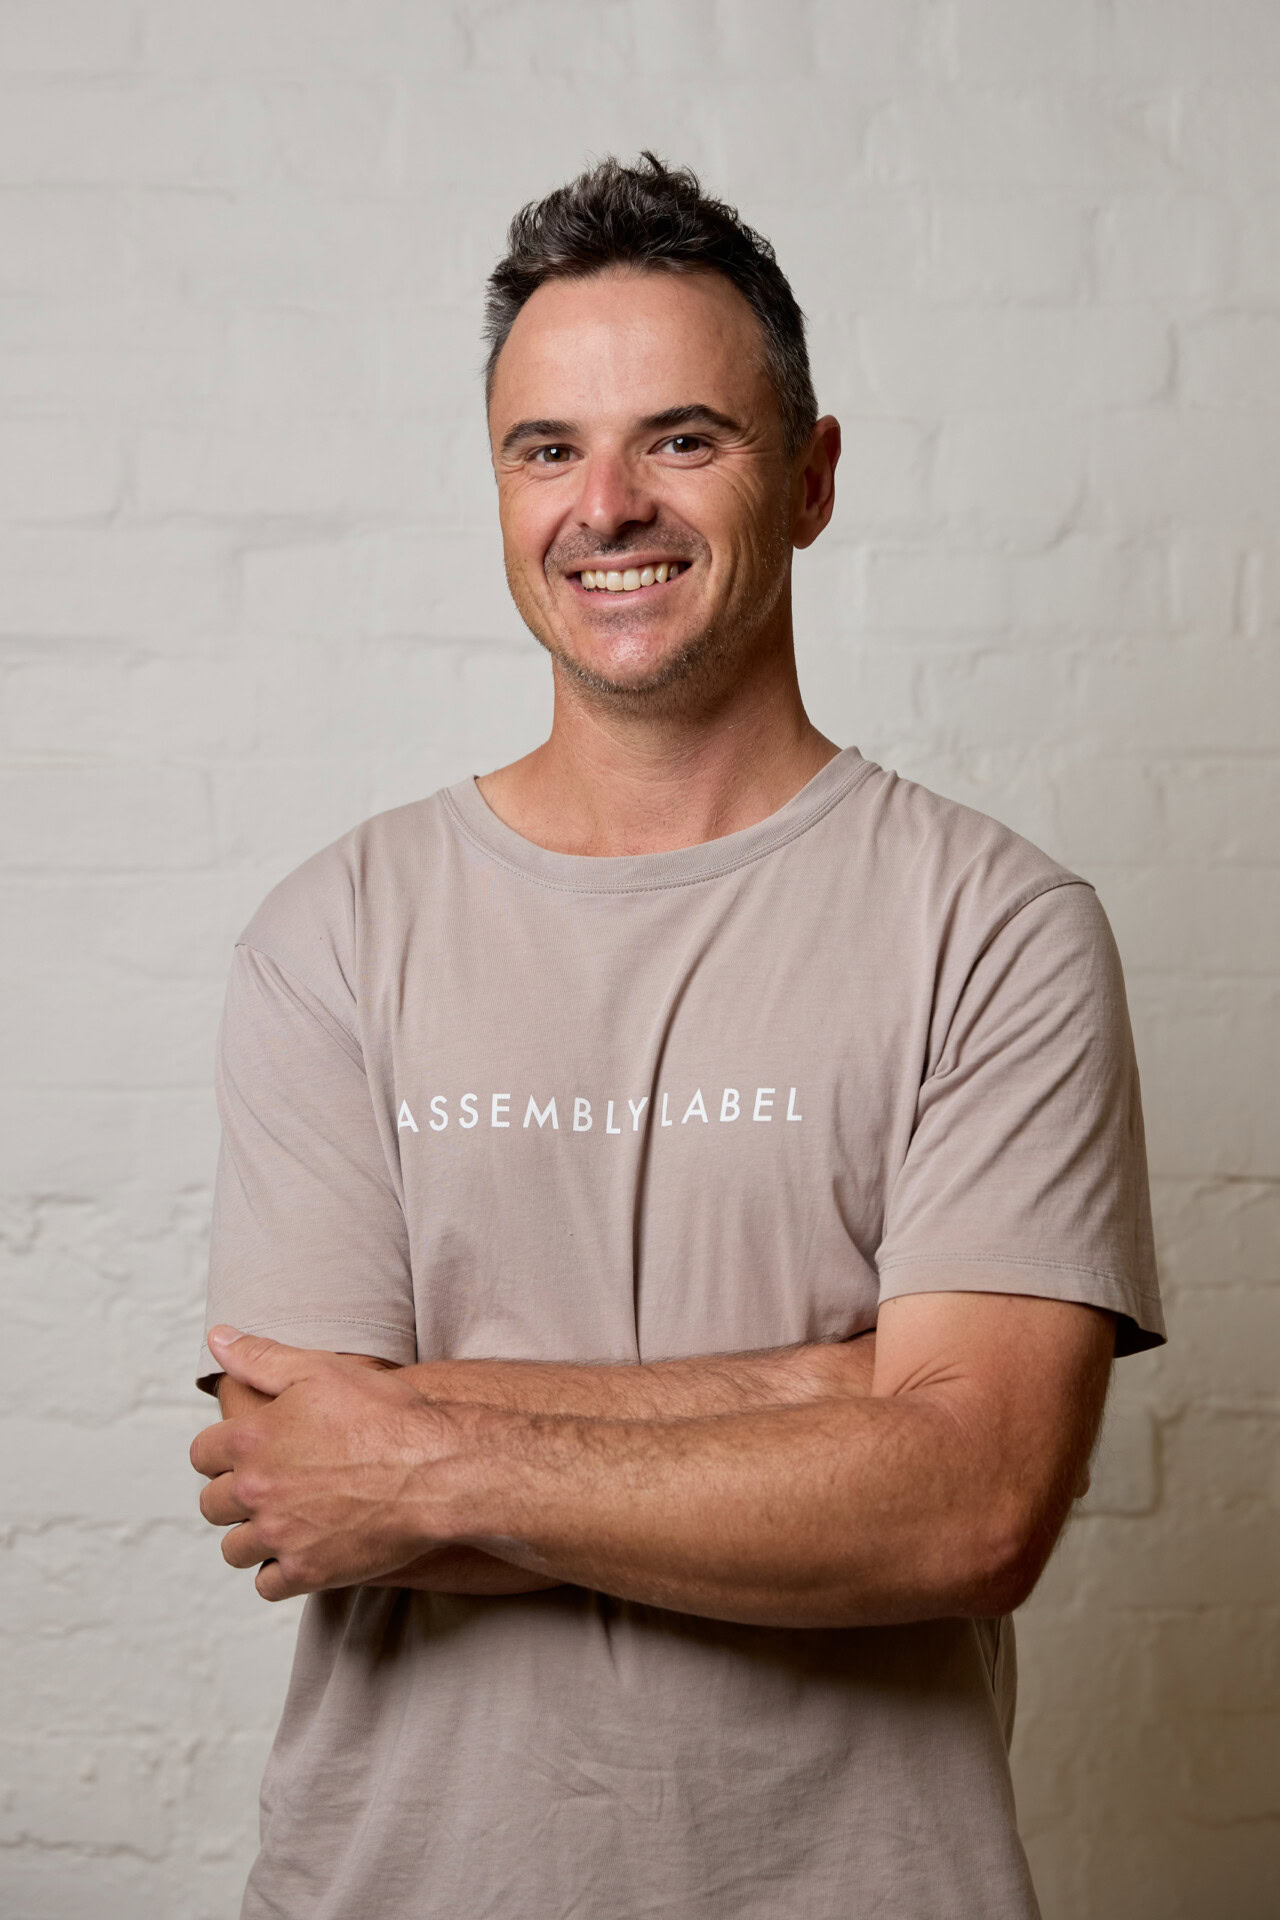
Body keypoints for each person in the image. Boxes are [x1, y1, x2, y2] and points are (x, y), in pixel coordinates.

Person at [189, 153, 1165, 1920]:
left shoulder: (995, 926)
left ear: (811, 479)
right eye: (548, 448)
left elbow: (970, 1511)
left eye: (684, 439)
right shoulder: (330, 932)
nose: (606, 505)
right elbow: (297, 1481)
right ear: (498, 491)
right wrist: (835, 1391)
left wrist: (425, 1442)